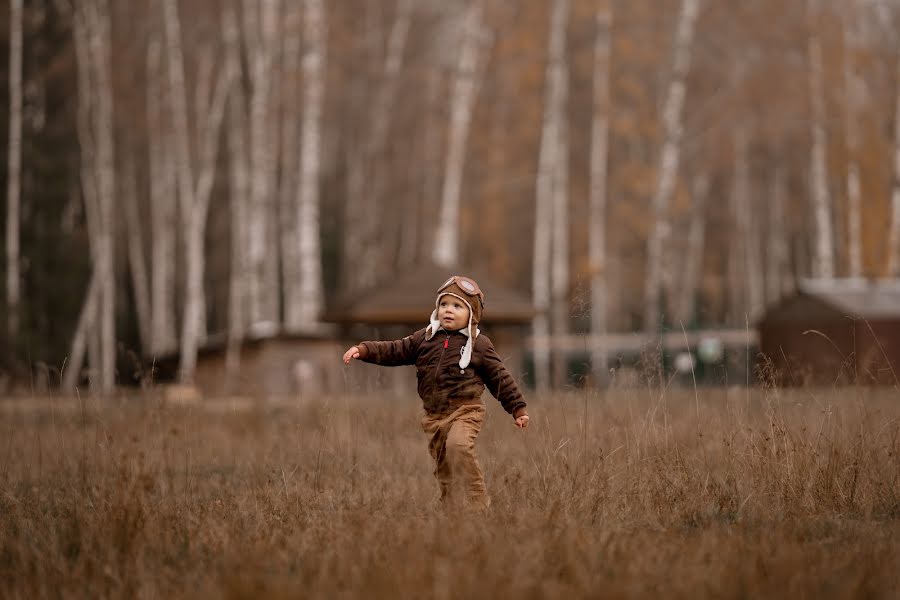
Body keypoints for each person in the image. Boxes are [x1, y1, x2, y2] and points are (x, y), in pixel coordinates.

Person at [342, 275, 529, 511]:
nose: (448, 310)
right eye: (444, 304)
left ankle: (477, 504)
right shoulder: (426, 337)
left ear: (472, 314)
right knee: (444, 465)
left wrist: (517, 408)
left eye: (457, 306)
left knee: (458, 447)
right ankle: (451, 509)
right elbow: (395, 350)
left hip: (465, 410)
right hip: (434, 416)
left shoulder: (479, 344)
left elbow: (500, 378)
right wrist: (364, 349)